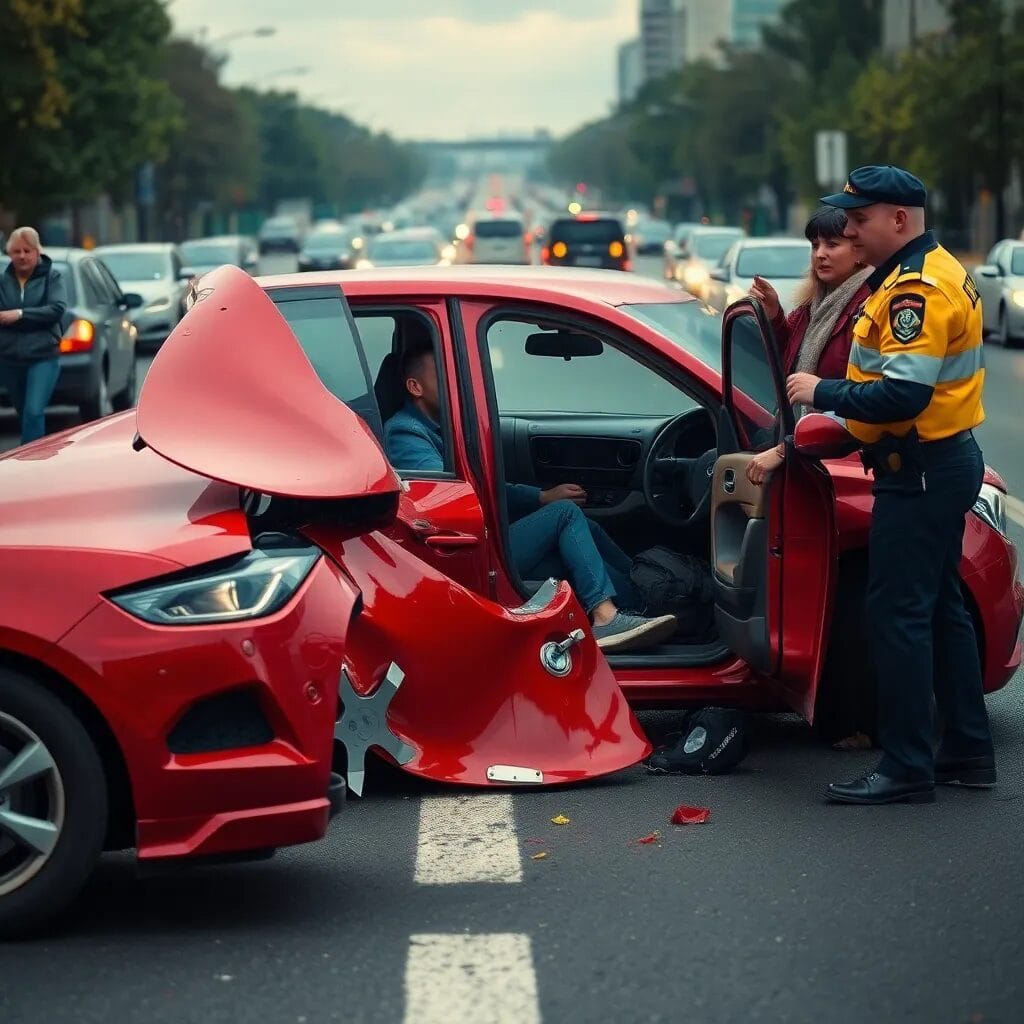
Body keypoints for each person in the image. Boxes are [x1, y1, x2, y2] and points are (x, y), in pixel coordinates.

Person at [787, 165, 991, 805]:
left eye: (857, 219)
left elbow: (902, 392)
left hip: (919, 470)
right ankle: (965, 750)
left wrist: (822, 393)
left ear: (897, 219)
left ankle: (906, 766)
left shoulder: (916, 292)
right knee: (940, 612)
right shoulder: (915, 275)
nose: (846, 229)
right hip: (934, 461)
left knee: (898, 616)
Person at [383, 343, 678, 653]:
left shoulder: (440, 426)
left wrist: (541, 496)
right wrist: (546, 501)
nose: (452, 382)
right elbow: (452, 498)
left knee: (579, 536)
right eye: (440, 375)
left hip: (483, 542)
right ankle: (606, 618)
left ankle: (647, 594)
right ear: (415, 386)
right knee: (565, 514)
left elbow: (488, 487)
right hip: (463, 553)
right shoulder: (406, 433)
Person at [745, 206, 872, 488]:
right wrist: (774, 316)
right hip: (803, 451)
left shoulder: (870, 306)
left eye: (832, 244)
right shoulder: (812, 304)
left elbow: (862, 398)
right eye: (815, 245)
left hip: (840, 462)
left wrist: (783, 450)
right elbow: (788, 362)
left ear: (859, 250)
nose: (820, 254)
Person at [0, 227, 67, 444]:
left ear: (37, 252)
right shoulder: (3, 281)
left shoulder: (52, 277)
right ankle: (36, 451)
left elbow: (56, 309)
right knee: (23, 413)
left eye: (27, 251)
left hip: (43, 356)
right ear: (9, 254)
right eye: (16, 251)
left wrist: (20, 315)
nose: (22, 256)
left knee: (34, 411)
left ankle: (30, 469)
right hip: (10, 358)